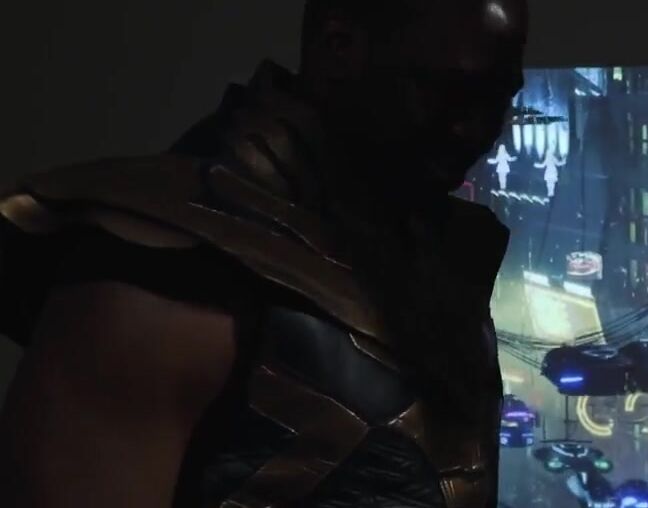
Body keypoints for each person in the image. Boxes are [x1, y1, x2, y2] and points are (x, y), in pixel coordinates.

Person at [0, 0, 527, 506]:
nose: (477, 130)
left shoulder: (441, 252)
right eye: (447, 89)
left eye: (498, 97)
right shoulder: (165, 263)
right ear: (339, 46)